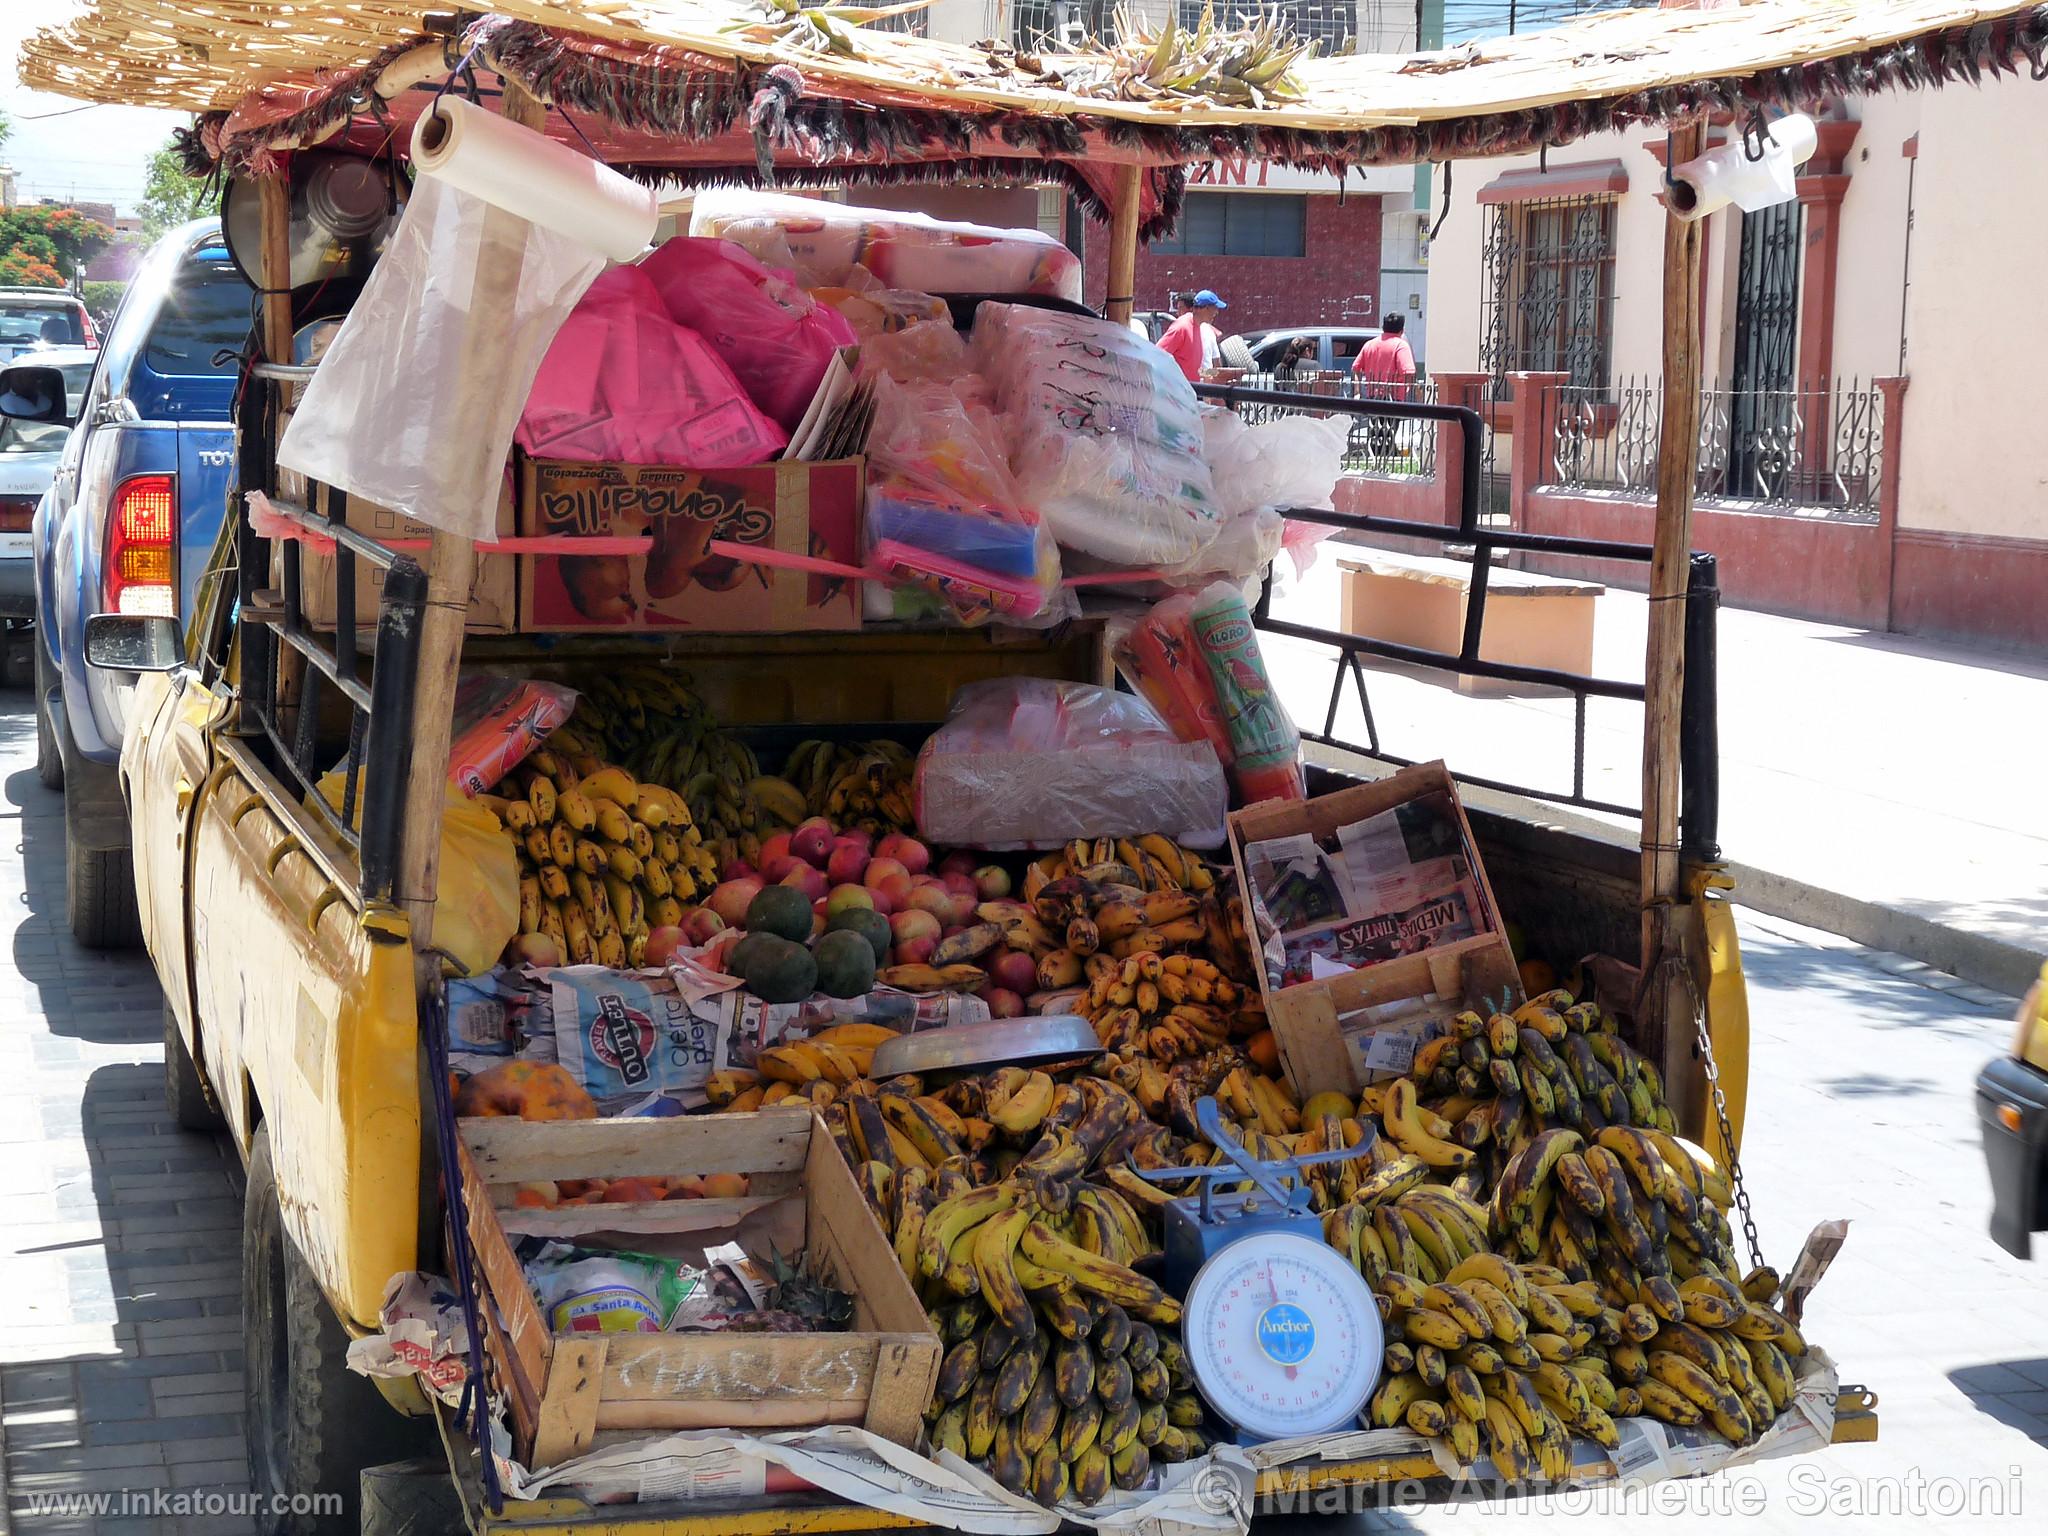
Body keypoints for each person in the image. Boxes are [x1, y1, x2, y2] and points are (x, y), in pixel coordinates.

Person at [1351, 312, 1417, 459]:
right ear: (1402, 330)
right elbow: (1408, 372)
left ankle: (1375, 461)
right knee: (1389, 434)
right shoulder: (1401, 345)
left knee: (1375, 434)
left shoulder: (1370, 344)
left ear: (1383, 326)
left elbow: (1355, 369)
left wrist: (1357, 392)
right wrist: (1405, 390)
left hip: (1373, 397)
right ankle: (1384, 462)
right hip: (1393, 399)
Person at [1156, 289, 1227, 382]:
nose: (1216, 312)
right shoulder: (1181, 327)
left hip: (1193, 391)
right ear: (1206, 308)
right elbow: (1157, 355)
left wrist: (1220, 374)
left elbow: (1197, 371)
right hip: (1179, 393)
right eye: (1215, 308)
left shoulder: (1201, 328)